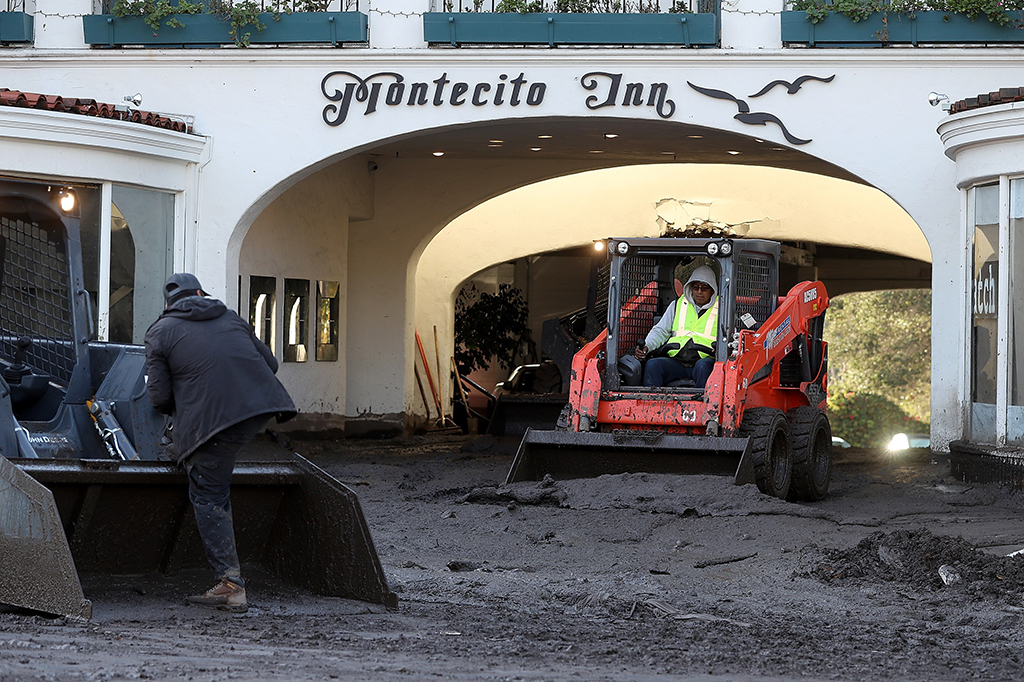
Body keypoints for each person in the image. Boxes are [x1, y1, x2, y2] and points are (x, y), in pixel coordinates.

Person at [144, 273, 296, 613]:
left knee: (209, 492)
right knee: (212, 456)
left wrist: (186, 416)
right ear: (199, 293)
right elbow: (269, 364)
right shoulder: (230, 317)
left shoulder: (159, 332)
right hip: (261, 408)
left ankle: (230, 585)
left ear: (168, 304)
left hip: (214, 421)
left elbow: (159, 397)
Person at [635, 264, 719, 389]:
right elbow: (661, 330)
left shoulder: (722, 308)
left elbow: (728, 337)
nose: (699, 292)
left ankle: (704, 405)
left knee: (704, 367)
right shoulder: (677, 305)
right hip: (677, 361)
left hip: (704, 361)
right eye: (696, 287)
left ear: (712, 290)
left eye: (704, 288)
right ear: (690, 288)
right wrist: (647, 346)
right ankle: (652, 404)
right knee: (653, 365)